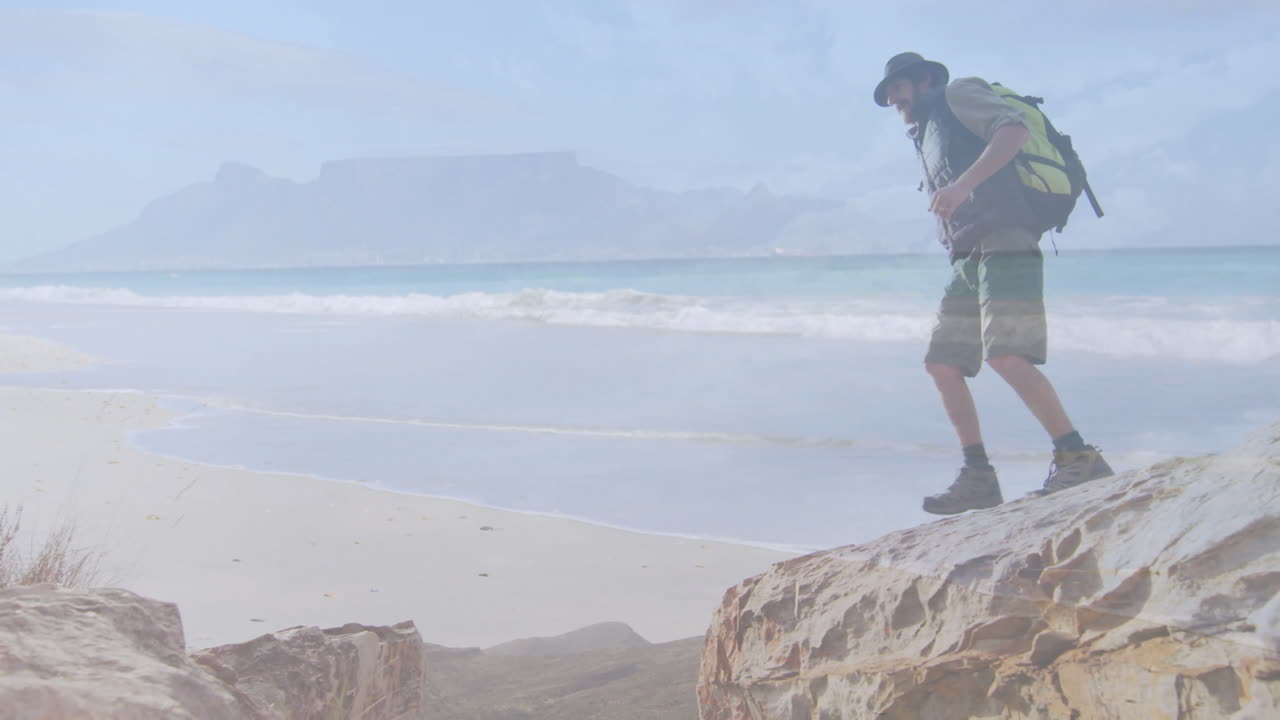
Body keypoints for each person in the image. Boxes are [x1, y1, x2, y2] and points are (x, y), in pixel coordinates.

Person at [873, 52, 1113, 515]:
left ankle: (1078, 456)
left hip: (1007, 237)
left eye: (898, 88)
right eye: (888, 95)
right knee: (942, 363)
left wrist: (962, 185)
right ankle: (978, 475)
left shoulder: (958, 93)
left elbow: (1014, 131)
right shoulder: (926, 130)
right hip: (969, 253)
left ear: (923, 80)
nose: (893, 100)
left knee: (1007, 354)